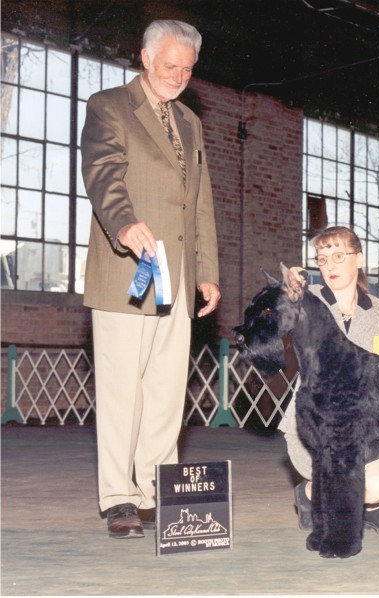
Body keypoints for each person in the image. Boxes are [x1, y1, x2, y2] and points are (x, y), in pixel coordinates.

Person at [81, 19, 220, 539]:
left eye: (187, 68)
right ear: (144, 57)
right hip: (129, 270)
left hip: (177, 277)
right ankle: (119, 499)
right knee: (122, 392)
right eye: (170, 66)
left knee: (166, 393)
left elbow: (199, 201)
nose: (179, 76)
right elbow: (103, 172)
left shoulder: (189, 121)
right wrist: (122, 223)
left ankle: (156, 491)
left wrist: (206, 272)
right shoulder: (108, 105)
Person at [278, 226, 379, 536]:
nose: (330, 266)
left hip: (365, 422)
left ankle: (370, 508)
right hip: (314, 427)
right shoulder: (308, 298)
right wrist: (288, 288)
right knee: (370, 481)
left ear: (359, 259)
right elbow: (280, 315)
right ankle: (310, 493)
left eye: (339, 256)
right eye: (322, 258)